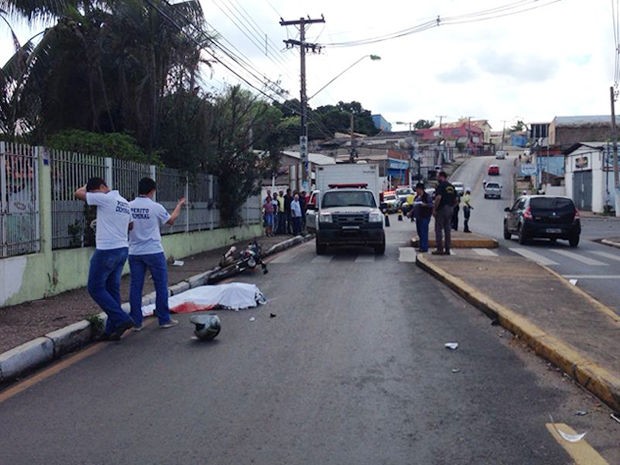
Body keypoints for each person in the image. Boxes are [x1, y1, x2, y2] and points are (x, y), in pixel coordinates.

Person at [74, 177, 134, 340]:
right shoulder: (124, 202)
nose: (92, 196)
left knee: (95, 288)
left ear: (101, 187)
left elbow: (78, 193)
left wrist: (86, 186)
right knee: (112, 288)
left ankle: (122, 319)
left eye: (93, 192)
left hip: (107, 250)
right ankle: (112, 329)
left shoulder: (105, 198)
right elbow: (131, 225)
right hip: (122, 248)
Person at [128, 177, 185, 331]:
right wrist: (179, 205)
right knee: (160, 285)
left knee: (135, 287)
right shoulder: (155, 207)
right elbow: (171, 221)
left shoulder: (128, 206)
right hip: (153, 251)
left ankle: (136, 322)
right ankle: (164, 319)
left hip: (134, 251)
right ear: (152, 191)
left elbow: (126, 226)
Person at [432, 171, 457, 255]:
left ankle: (439, 249)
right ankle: (447, 249)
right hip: (450, 209)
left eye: (438, 176)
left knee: (438, 229)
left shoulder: (441, 186)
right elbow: (456, 200)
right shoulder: (451, 187)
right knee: (447, 229)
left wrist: (435, 209)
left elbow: (438, 198)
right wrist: (451, 207)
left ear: (441, 177)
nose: (437, 178)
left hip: (442, 209)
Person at [412, 182, 433, 253]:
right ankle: (421, 246)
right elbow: (414, 206)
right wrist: (411, 213)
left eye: (417, 189)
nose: (416, 191)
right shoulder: (416, 197)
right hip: (418, 216)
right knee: (420, 232)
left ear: (420, 189)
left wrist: (425, 205)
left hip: (425, 216)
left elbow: (431, 205)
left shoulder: (427, 197)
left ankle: (424, 247)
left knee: (424, 231)